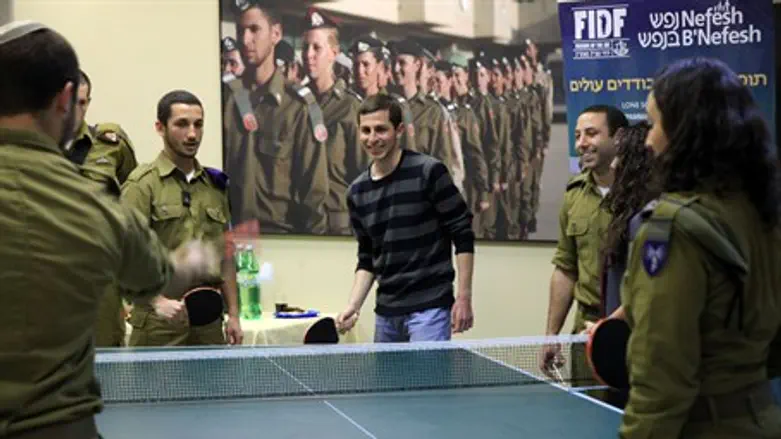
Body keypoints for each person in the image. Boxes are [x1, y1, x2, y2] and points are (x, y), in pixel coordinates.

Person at [0, 20, 218, 438]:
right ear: (65, 99)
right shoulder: (93, 206)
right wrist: (189, 262)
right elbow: (158, 277)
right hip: (58, 426)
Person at [619, 57, 781, 438]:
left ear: (685, 131)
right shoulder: (764, 215)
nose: (647, 139)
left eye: (655, 123)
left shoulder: (672, 229)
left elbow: (661, 378)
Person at [335, 94, 475, 342]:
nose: (372, 138)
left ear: (399, 130)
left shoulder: (429, 172)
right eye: (365, 131)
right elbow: (367, 258)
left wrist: (464, 297)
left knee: (425, 382)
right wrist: (353, 305)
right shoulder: (357, 192)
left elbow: (462, 233)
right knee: (390, 383)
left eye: (381, 129)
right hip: (387, 313)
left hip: (430, 309)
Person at [121, 90, 243, 347]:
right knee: (155, 389)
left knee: (214, 389)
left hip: (209, 324)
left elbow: (226, 258)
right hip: (159, 323)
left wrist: (233, 314)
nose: (192, 134)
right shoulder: (143, 185)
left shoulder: (214, 186)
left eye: (198, 125)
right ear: (160, 127)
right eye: (181, 124)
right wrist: (156, 302)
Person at [540, 105, 628, 393]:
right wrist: (551, 334)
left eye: (591, 134)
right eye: (578, 135)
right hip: (586, 331)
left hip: (635, 329)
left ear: (619, 138)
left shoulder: (645, 193)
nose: (581, 143)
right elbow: (566, 268)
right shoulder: (573, 195)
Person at [65, 69, 139, 348]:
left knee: (106, 364)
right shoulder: (34, 148)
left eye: (82, 103)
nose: (75, 110)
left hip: (100, 281)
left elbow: (132, 197)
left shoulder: (109, 143)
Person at [597, 121, 654, 324]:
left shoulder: (646, 220)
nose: (613, 165)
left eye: (620, 156)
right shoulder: (625, 214)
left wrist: (607, 326)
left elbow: (645, 288)